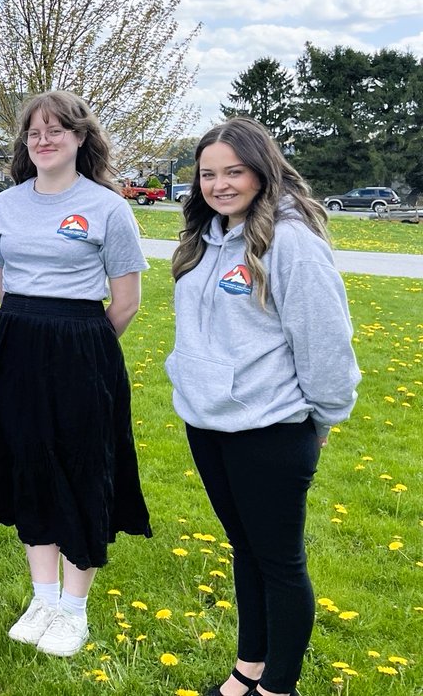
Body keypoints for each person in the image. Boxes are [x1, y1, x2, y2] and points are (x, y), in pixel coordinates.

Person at [166, 117, 359, 696]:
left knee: (278, 561)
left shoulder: (291, 241)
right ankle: (246, 671)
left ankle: (279, 686)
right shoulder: (207, 239)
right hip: (209, 422)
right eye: (208, 174)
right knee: (244, 550)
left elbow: (325, 342)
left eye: (234, 172)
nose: (220, 184)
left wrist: (322, 418)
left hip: (271, 427)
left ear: (262, 171)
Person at [0, 90, 151, 657]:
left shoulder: (107, 207)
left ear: (79, 138)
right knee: (29, 463)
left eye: (55, 131)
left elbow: (126, 300)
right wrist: (31, 335)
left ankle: (74, 610)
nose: (43, 141)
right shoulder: (5, 205)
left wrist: (81, 348)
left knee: (80, 467)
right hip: (17, 340)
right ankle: (42, 598)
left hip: (82, 347)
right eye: (33, 133)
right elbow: (2, 282)